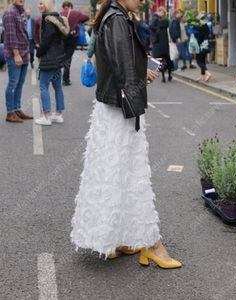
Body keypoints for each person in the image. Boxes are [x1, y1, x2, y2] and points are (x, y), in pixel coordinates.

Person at [70, 0, 182, 269]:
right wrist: (135, 109)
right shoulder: (118, 19)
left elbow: (117, 63)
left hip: (109, 109)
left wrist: (142, 71)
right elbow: (123, 69)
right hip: (121, 110)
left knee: (111, 172)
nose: (143, 0)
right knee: (132, 173)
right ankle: (152, 245)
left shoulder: (111, 16)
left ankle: (112, 239)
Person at [35, 0, 69, 125]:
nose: (39, 5)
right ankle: (59, 114)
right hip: (58, 58)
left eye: (41, 3)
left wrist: (38, 53)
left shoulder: (48, 21)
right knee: (58, 86)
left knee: (43, 86)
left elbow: (45, 42)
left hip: (49, 59)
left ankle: (47, 117)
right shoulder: (58, 19)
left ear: (47, 5)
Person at [3, 0, 33, 123]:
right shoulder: (10, 13)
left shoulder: (22, 12)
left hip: (24, 53)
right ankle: (10, 113)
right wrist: (16, 54)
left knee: (20, 84)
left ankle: (17, 109)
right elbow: (11, 36)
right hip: (15, 55)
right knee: (13, 83)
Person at [60, 1, 89, 86]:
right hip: (72, 37)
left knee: (61, 56)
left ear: (63, 6)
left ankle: (56, 75)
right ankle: (66, 79)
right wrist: (78, 21)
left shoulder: (59, 13)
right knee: (68, 58)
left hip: (61, 38)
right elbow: (86, 17)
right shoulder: (75, 12)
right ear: (70, 6)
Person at [194, 12, 211, 82]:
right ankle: (201, 76)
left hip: (200, 44)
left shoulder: (200, 26)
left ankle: (207, 73)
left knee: (198, 60)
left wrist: (194, 34)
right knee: (203, 60)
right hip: (206, 43)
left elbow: (199, 35)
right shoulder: (206, 25)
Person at [154, 18, 173, 82]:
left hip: (160, 49)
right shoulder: (168, 30)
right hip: (168, 48)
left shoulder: (158, 31)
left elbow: (156, 40)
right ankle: (170, 75)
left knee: (162, 63)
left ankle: (163, 77)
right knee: (169, 62)